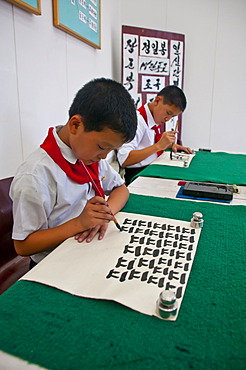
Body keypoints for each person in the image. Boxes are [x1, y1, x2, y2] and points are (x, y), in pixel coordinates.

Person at [10, 78, 137, 267]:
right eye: (102, 147)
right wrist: (79, 223)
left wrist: (105, 213)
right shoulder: (37, 174)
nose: (104, 157)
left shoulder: (88, 156)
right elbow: (23, 245)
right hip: (53, 264)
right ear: (76, 125)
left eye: (110, 151)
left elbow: (121, 189)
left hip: (87, 251)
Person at [117, 85, 192, 185]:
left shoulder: (152, 119)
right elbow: (124, 159)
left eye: (172, 116)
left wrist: (169, 145)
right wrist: (159, 146)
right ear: (157, 101)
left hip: (149, 168)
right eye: (168, 113)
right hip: (136, 175)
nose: (167, 119)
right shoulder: (138, 121)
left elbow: (145, 145)